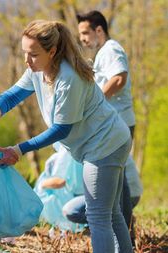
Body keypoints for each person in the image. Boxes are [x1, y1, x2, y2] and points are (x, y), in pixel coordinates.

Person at [0, 20, 133, 253]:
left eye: (33, 54)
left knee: (98, 216)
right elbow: (11, 96)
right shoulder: (38, 70)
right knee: (111, 213)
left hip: (104, 145)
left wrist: (19, 150)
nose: (27, 61)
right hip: (108, 140)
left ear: (52, 51)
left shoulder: (69, 78)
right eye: (25, 53)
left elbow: (61, 129)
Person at [77, 10, 141, 244]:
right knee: (117, 183)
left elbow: (118, 78)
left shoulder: (111, 48)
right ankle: (124, 237)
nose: (83, 39)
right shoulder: (103, 52)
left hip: (120, 121)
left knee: (119, 183)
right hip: (114, 123)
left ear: (99, 30)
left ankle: (125, 237)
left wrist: (95, 102)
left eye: (85, 33)